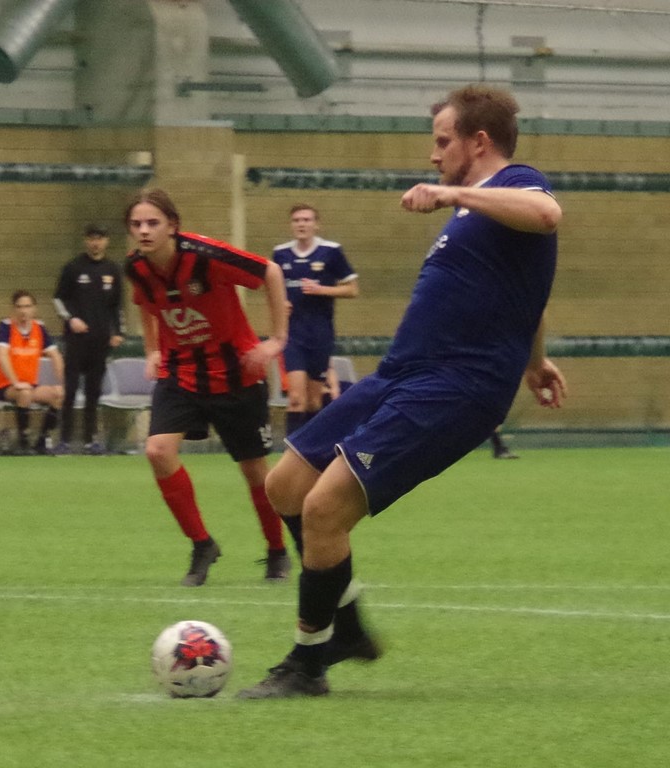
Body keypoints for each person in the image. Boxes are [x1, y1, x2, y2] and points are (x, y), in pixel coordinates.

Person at [237, 84, 568, 699]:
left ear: (479, 142)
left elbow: (548, 214)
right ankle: (350, 627)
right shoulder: (478, 214)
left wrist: (452, 192)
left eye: (443, 142)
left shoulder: (514, 184)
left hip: (456, 386)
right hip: (400, 374)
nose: (434, 155)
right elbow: (529, 294)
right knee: (284, 485)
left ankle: (307, 664)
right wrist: (538, 359)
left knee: (323, 508)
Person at [124, 188, 291, 586]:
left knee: (253, 470)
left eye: (153, 223)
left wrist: (276, 340)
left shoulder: (205, 255)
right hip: (181, 372)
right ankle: (202, 544)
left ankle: (276, 550)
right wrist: (152, 350)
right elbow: (145, 304)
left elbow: (270, 272)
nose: (144, 231)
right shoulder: (136, 268)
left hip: (237, 373)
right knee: (157, 451)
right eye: (136, 225)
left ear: (173, 227)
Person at [273, 204, 359, 436]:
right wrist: (280, 303)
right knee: (295, 398)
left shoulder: (330, 251)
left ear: (316, 224)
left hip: (320, 333)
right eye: (297, 220)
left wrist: (322, 290)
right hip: (293, 335)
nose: (301, 224)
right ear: (291, 225)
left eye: (306, 220)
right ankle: (289, 455)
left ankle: (309, 454)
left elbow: (352, 289)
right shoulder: (280, 254)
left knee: (313, 402)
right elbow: (272, 289)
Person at [52, 224, 125, 455]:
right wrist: (71, 319)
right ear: (86, 241)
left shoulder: (112, 270)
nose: (96, 243)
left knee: (94, 391)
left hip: (100, 340)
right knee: (71, 390)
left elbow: (117, 306)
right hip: (76, 341)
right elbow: (58, 299)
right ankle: (64, 440)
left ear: (107, 241)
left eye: (100, 238)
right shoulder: (74, 267)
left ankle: (90, 440)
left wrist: (117, 332)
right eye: (92, 238)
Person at [0, 290, 64, 455]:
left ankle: (42, 440)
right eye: (20, 307)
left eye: (28, 306)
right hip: (4, 385)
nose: (24, 311)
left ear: (34, 308)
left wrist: (61, 383)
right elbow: (1, 356)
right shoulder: (6, 327)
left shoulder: (39, 328)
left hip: (29, 384)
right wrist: (15, 382)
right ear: (14, 309)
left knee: (57, 395)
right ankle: (23, 442)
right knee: (25, 393)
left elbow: (55, 356)